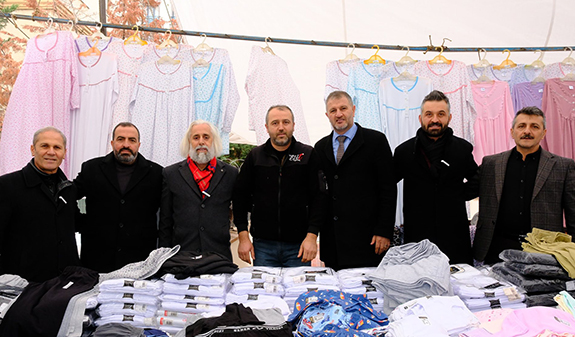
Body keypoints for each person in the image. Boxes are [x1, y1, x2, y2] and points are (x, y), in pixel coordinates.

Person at [474, 106, 575, 264]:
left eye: (534, 127)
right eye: (521, 126)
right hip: (496, 249)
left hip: (545, 252)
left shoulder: (563, 166)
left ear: (544, 133)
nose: (527, 131)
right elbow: (464, 191)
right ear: (512, 132)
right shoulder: (491, 164)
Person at [0, 127, 80, 281]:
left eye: (57, 147)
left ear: (64, 153)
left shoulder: (69, 189)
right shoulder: (6, 186)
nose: (51, 152)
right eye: (44, 146)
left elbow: (73, 226)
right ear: (33, 150)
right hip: (23, 284)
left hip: (64, 283)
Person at [394, 90, 479, 264]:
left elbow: (477, 179)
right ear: (420, 118)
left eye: (441, 114)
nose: (435, 120)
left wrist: (457, 195)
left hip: (454, 235)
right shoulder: (404, 151)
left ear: (449, 117)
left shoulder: (462, 149)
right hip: (417, 237)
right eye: (429, 114)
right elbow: (386, 186)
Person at [233, 105, 324, 267]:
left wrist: (312, 236)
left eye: (286, 122)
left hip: (299, 246)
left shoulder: (307, 154)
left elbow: (319, 197)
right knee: (264, 285)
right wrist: (243, 236)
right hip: (263, 246)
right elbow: (240, 196)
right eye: (275, 123)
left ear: (293, 126)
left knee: (297, 285)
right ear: (267, 127)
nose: (281, 127)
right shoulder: (255, 157)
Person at [314, 91, 397, 270]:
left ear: (353, 109)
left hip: (368, 241)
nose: (338, 114)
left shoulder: (376, 141)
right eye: (333, 110)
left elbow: (388, 190)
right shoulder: (320, 148)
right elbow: (319, 193)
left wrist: (384, 230)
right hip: (334, 244)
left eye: (343, 108)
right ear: (327, 115)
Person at [74, 122, 162, 272]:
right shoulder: (91, 168)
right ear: (112, 143)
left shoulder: (157, 173)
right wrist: (82, 223)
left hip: (139, 260)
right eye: (120, 139)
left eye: (132, 140)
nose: (126, 144)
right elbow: (69, 197)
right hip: (97, 258)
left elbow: (168, 212)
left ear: (139, 144)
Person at [159, 120, 238, 261]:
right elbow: (165, 220)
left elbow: (238, 210)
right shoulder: (171, 174)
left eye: (206, 137)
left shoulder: (230, 174)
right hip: (182, 256)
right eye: (196, 137)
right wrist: (163, 257)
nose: (201, 142)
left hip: (218, 256)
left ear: (214, 141)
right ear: (189, 142)